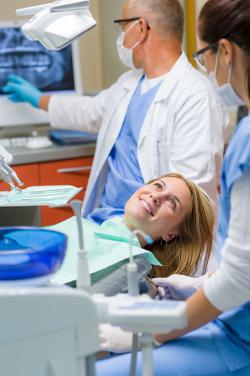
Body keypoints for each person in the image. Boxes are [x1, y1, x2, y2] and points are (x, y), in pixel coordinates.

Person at [95, 1, 250, 375]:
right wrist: (196, 284)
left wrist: (155, 332)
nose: (206, 69)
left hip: (237, 334)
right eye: (156, 185)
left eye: (206, 56)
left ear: (225, 51)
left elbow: (240, 278)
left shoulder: (244, 140)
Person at [3, 0, 228, 224]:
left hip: (149, 236)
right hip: (104, 220)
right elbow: (89, 111)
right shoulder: (129, 83)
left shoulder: (195, 97)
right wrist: (37, 99)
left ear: (140, 28)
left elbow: (191, 196)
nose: (120, 37)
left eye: (122, 27)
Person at [53, 172, 215, 296]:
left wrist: (152, 289)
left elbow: (75, 314)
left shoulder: (134, 266)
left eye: (172, 203)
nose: (156, 196)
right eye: (158, 186)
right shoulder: (84, 225)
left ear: (170, 234)